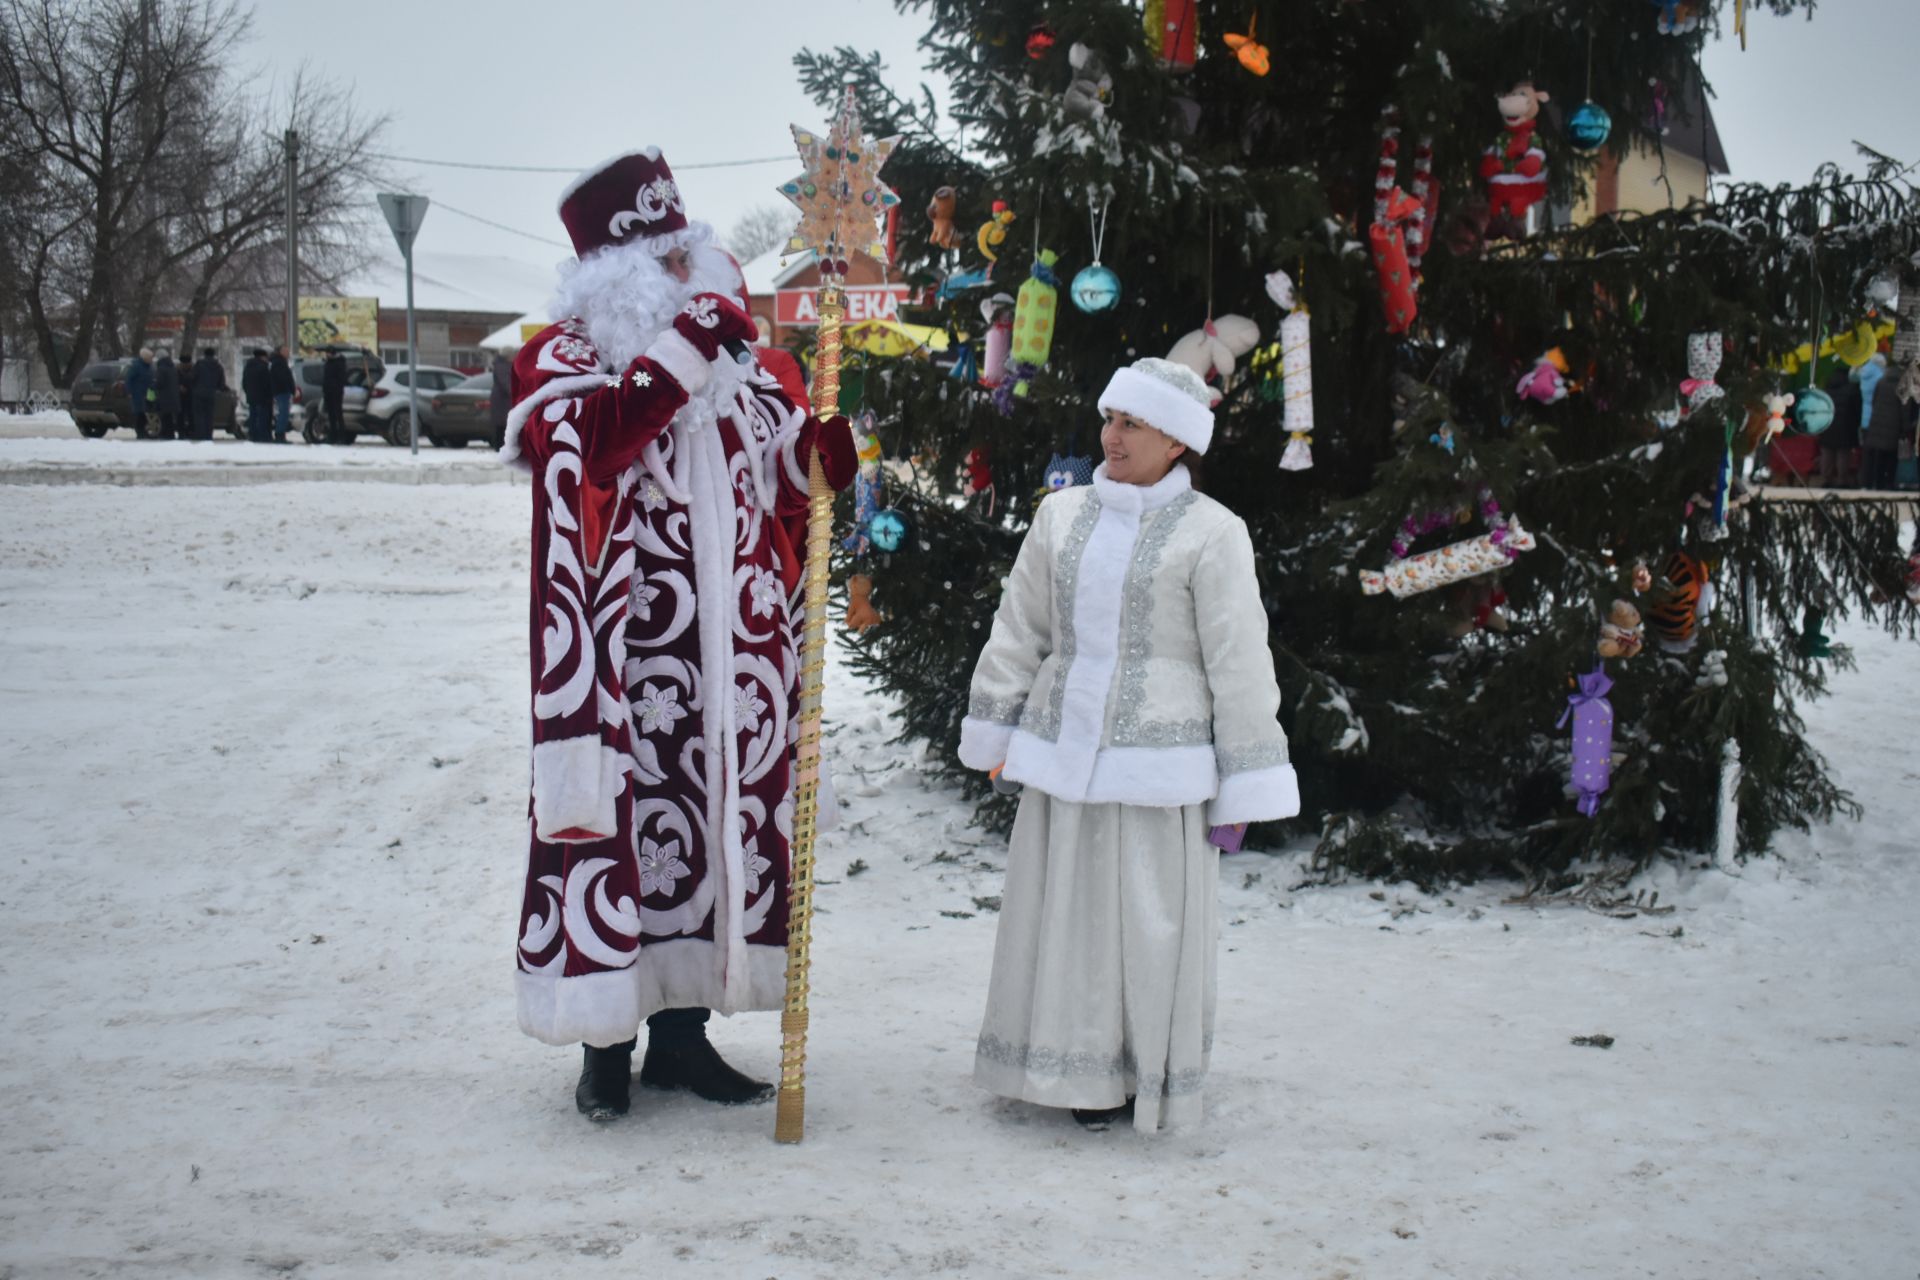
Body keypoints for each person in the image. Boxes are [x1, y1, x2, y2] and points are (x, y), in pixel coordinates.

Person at [501, 148, 855, 1123]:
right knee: (626, 835)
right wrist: (693, 339)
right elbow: (594, 446)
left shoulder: (739, 369)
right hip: (629, 661)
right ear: (610, 279)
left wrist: (815, 459)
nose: (677, 280)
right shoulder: (566, 359)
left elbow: (778, 483)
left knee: (709, 835)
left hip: (733, 654)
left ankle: (685, 1039)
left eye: (681, 261)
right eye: (657, 266)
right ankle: (603, 1049)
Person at [957, 357, 1301, 1134]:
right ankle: (1064, 1067)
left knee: (1147, 928)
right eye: (1110, 419)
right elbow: (1020, 629)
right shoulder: (1062, 517)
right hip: (1060, 753)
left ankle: (1139, 1070)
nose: (1111, 436)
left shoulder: (1213, 534)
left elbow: (1241, 662)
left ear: (1177, 442)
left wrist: (1246, 775)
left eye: (1131, 424)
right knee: (1064, 918)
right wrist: (999, 724)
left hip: (1160, 770)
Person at [1856, 353, 1901, 491]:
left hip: (1870, 419)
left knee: (1872, 453)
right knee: (1888, 454)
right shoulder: (1883, 378)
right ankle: (1885, 482)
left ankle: (1869, 482)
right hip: (1888, 421)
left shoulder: (1867, 376)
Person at [1816, 363, 1860, 488]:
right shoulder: (1852, 389)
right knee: (1843, 453)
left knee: (1827, 452)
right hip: (1846, 427)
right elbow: (1857, 410)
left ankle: (1826, 479)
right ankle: (1841, 480)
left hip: (1827, 426)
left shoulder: (1826, 390)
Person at [189, 347, 226, 440]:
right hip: (211, 394)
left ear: (204, 354)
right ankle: (208, 435)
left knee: (199, 415)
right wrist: (218, 388)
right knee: (209, 415)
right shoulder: (218, 366)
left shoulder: (199, 364)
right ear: (214, 354)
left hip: (198, 394)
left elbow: (192, 377)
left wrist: (193, 387)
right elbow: (221, 382)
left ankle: (200, 435)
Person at [241, 348, 272, 443]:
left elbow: (244, 382)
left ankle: (252, 435)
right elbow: (267, 383)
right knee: (262, 417)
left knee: (253, 416)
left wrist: (248, 392)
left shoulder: (248, 367)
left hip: (251, 396)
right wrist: (270, 395)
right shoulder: (263, 367)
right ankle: (262, 436)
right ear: (263, 357)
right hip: (263, 397)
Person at [270, 344, 296, 443]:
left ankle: (280, 434)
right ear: (280, 352)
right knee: (283, 414)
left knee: (284, 413)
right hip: (282, 391)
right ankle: (280, 434)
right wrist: (290, 388)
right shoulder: (279, 363)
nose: (288, 353)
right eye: (286, 351)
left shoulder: (281, 362)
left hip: (282, 391)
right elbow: (283, 378)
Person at [125, 347, 154, 438]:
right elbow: (128, 379)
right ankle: (140, 432)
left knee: (144, 414)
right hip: (137, 394)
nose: (151, 359)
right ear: (144, 357)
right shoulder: (136, 366)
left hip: (147, 394)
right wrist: (129, 391)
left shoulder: (148, 366)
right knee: (139, 414)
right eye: (150, 357)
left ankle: (143, 431)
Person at [153, 348, 180, 439]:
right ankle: (170, 434)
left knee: (164, 418)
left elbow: (159, 383)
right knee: (169, 418)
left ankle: (165, 435)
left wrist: (154, 384)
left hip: (164, 397)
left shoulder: (161, 368)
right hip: (173, 397)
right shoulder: (172, 367)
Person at [320, 350, 346, 442]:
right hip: (328, 391)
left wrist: (335, 386)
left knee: (338, 414)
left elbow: (341, 378)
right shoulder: (328, 363)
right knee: (331, 415)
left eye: (328, 353)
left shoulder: (338, 363)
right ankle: (333, 435)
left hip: (336, 392)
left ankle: (342, 436)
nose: (326, 355)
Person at [488, 349, 512, 450]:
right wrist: (515, 392)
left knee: (502, 424)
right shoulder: (502, 366)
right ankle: (499, 447)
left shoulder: (501, 365)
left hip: (502, 400)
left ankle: (500, 446)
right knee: (502, 425)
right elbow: (506, 383)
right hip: (503, 400)